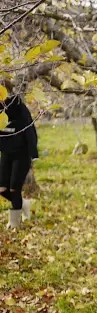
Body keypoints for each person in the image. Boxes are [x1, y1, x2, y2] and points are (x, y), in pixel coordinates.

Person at [0, 93, 39, 229]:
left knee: (14, 188)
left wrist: (33, 153)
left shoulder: (18, 108)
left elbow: (30, 130)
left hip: (22, 154)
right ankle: (24, 204)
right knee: (2, 189)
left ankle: (14, 223)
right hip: (6, 153)